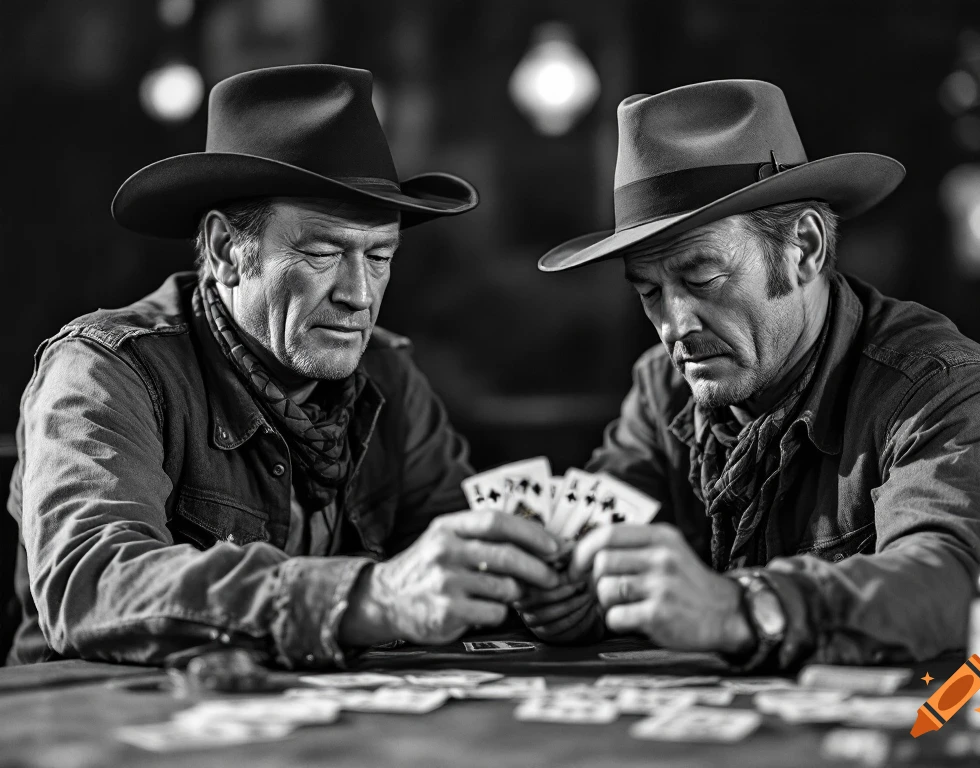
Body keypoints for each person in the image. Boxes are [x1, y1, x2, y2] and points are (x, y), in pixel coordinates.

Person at [7, 64, 563, 668]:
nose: (359, 294)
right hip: (94, 734)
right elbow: (90, 584)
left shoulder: (393, 379)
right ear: (226, 251)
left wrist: (545, 594)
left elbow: (461, 570)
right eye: (323, 253)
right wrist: (365, 597)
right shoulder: (104, 371)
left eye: (380, 256)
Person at [520, 79, 980, 669]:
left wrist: (745, 607)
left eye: (702, 277)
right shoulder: (661, 389)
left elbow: (953, 574)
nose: (674, 326)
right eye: (649, 292)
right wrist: (571, 595)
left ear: (803, 248)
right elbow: (595, 536)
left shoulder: (940, 389)